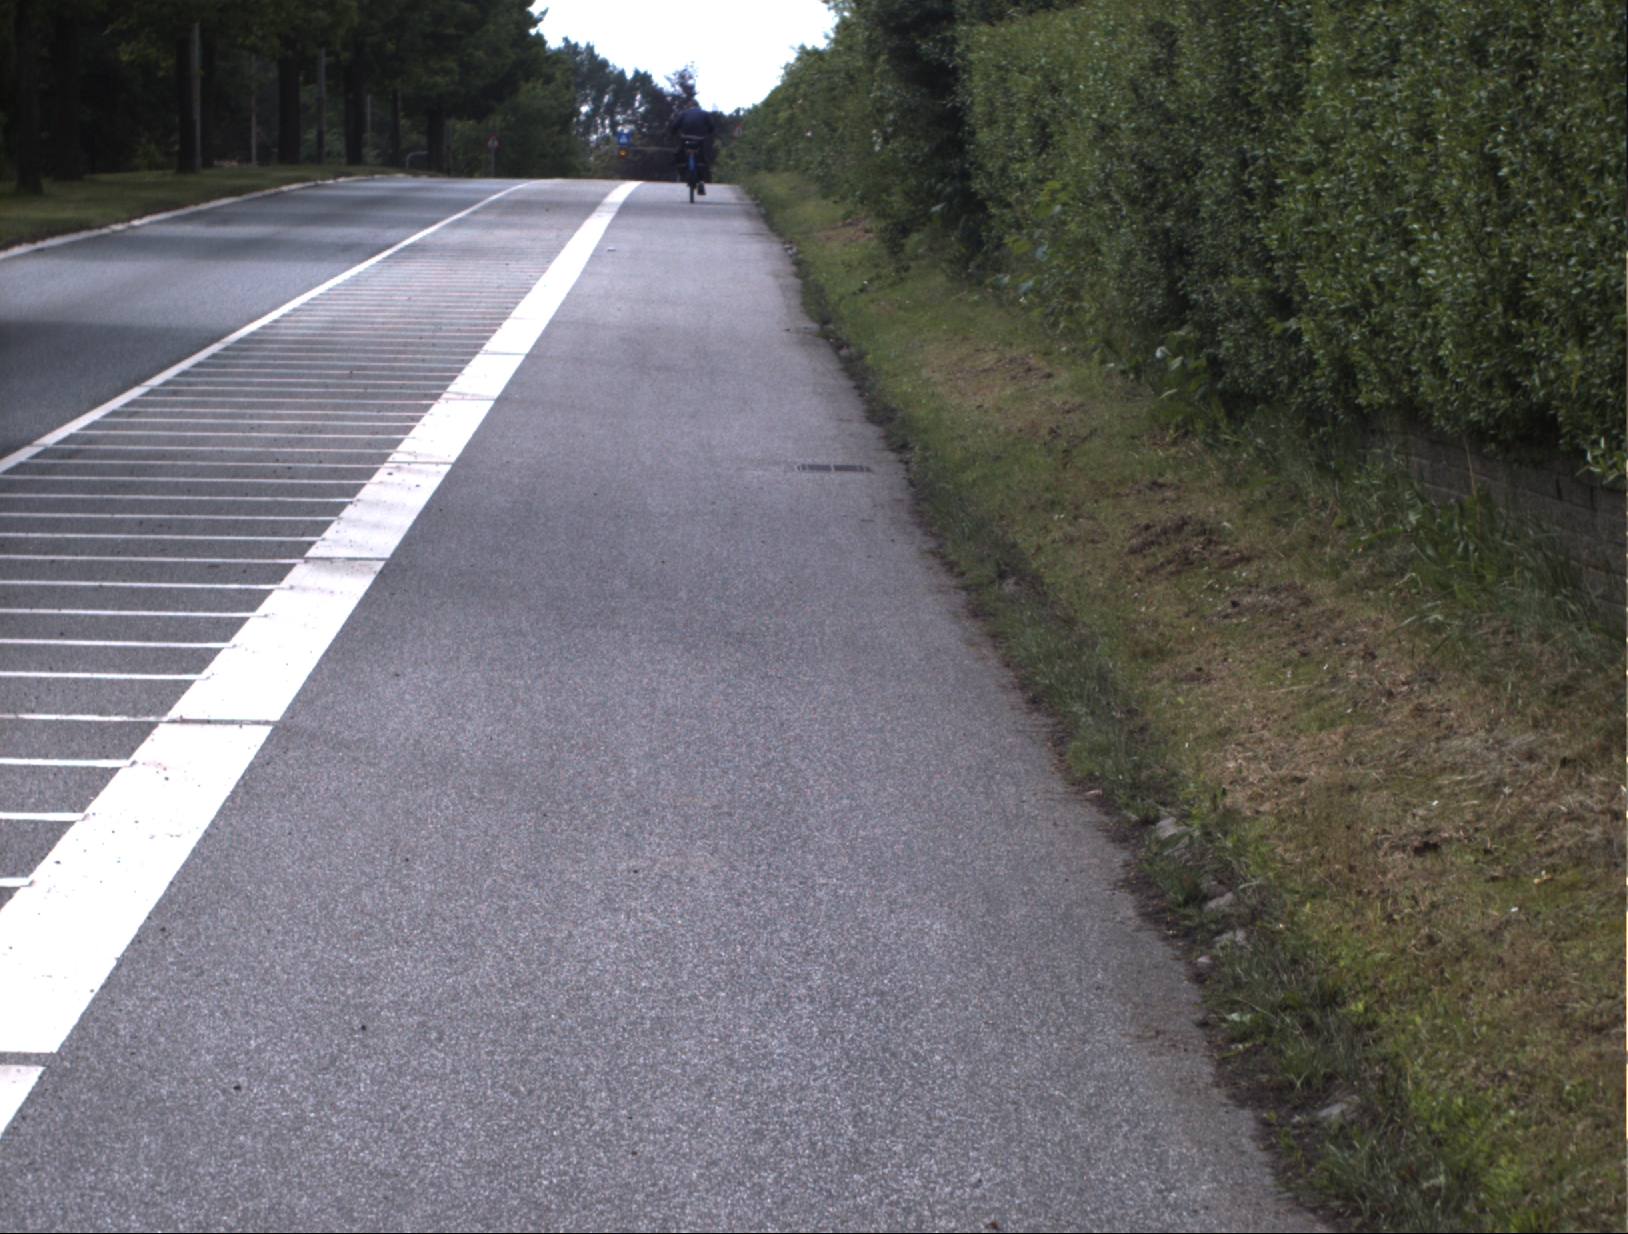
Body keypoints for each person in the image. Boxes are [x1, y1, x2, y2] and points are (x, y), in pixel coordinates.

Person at [667, 104, 717, 195]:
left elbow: (675, 126)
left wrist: (673, 133)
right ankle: (701, 180)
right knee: (702, 157)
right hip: (699, 139)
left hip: (685, 138)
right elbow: (712, 126)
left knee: (680, 153)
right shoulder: (704, 114)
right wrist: (707, 133)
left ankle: (681, 169)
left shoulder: (684, 113)